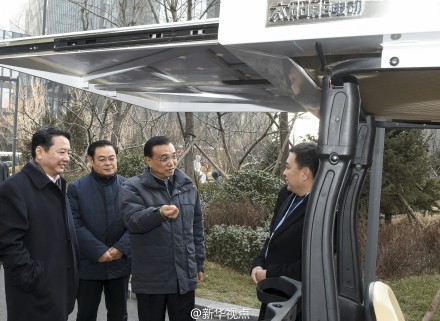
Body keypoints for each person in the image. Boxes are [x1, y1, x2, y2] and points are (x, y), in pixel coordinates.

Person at [120, 135, 205, 321]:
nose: (171, 163)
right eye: (164, 158)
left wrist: (199, 263)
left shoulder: (187, 186)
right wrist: (159, 213)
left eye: (174, 156)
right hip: (152, 279)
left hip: (184, 277)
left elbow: (197, 229)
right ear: (148, 161)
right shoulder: (132, 187)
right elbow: (133, 221)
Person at [0, 126, 79, 321]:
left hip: (59, 289)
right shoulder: (14, 188)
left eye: (68, 152)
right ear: (39, 152)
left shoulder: (58, 183)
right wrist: (33, 278)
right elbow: (8, 243)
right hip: (33, 295)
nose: (67, 158)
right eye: (61, 152)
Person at [250, 142, 319, 320]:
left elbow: (311, 265)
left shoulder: (319, 211)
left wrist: (270, 273)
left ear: (305, 174)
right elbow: (272, 236)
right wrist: (258, 263)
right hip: (271, 295)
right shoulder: (286, 195)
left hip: (295, 303)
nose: (284, 172)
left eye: (288, 167)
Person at [67, 140, 131, 321]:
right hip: (89, 264)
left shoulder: (129, 186)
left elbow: (135, 224)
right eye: (102, 159)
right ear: (91, 160)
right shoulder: (76, 188)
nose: (108, 163)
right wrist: (98, 251)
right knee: (86, 314)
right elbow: (74, 224)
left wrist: (121, 248)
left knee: (119, 315)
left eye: (112, 158)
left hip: (120, 263)